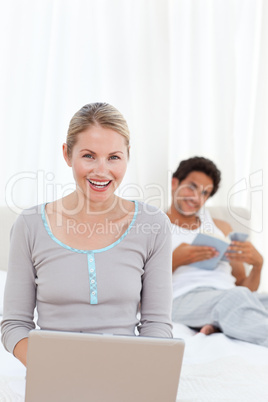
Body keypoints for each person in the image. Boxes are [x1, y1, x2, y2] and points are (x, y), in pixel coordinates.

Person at [1, 102, 173, 367]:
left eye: (114, 157)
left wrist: (137, 372)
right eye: (89, 156)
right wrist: (53, 367)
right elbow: (14, 325)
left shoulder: (154, 224)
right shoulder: (30, 224)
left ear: (128, 156)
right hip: (52, 374)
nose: (101, 170)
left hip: (126, 374)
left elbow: (157, 325)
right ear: (67, 155)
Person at [167, 156, 268, 346]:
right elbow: (136, 288)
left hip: (227, 296)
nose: (197, 198)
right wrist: (175, 260)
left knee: (248, 299)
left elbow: (243, 288)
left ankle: (218, 322)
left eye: (205, 193)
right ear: (174, 183)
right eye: (192, 187)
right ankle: (221, 320)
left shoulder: (221, 228)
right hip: (182, 299)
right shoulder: (154, 226)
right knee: (233, 299)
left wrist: (258, 266)